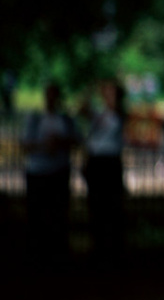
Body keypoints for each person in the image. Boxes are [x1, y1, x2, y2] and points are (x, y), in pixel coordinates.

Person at [19, 82, 80, 265]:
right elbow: (25, 145)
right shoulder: (35, 118)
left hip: (58, 172)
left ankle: (56, 255)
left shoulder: (66, 120)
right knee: (37, 216)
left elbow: (77, 140)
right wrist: (45, 146)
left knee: (58, 215)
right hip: (38, 172)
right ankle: (38, 254)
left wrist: (59, 143)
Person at [79, 78, 127, 265]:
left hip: (109, 163)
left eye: (110, 92)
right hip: (96, 162)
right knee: (96, 207)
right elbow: (82, 109)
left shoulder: (116, 114)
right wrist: (90, 90)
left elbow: (104, 115)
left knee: (112, 208)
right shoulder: (101, 114)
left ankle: (113, 251)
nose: (106, 95)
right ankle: (99, 250)